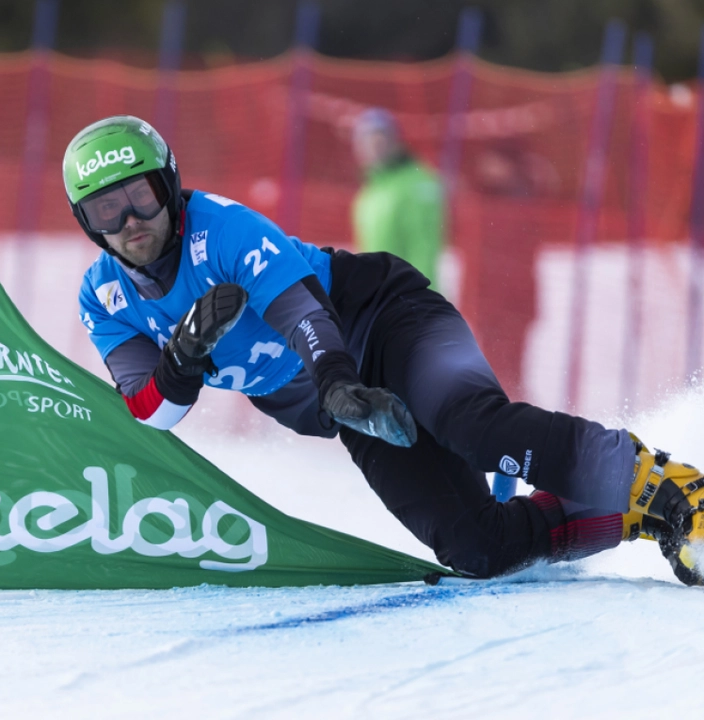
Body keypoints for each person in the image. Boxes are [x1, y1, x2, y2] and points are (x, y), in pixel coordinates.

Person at [64, 115, 703, 586]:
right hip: (349, 403)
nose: (130, 225)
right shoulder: (103, 298)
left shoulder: (222, 229)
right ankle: (639, 516)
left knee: (472, 426)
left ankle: (675, 487)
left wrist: (339, 384)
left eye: (141, 199)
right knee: (478, 548)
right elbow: (153, 411)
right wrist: (181, 359)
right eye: (106, 213)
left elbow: (304, 313)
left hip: (385, 322)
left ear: (170, 187)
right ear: (86, 224)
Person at [350, 107, 444, 290]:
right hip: (380, 300)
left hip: (411, 301)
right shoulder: (368, 192)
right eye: (364, 141)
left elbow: (423, 249)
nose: (372, 148)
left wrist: (420, 302)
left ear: (395, 141)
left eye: (379, 139)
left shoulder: (418, 184)